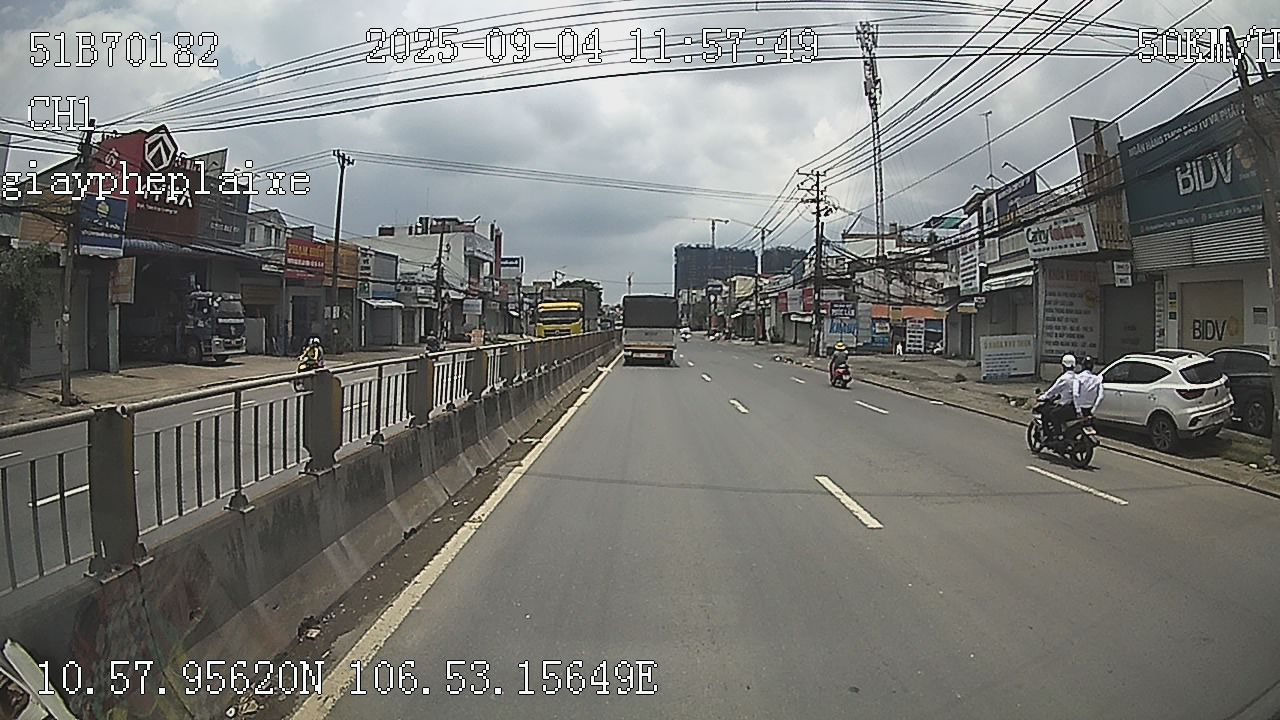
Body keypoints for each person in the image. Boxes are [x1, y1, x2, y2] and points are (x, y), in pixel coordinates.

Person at [1039, 353, 1078, 440]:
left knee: (1050, 413)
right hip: (1075, 407)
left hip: (1066, 406)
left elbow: (1052, 391)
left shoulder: (1064, 378)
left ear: (1063, 365)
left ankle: (1058, 435)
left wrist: (1042, 397)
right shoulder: (1077, 377)